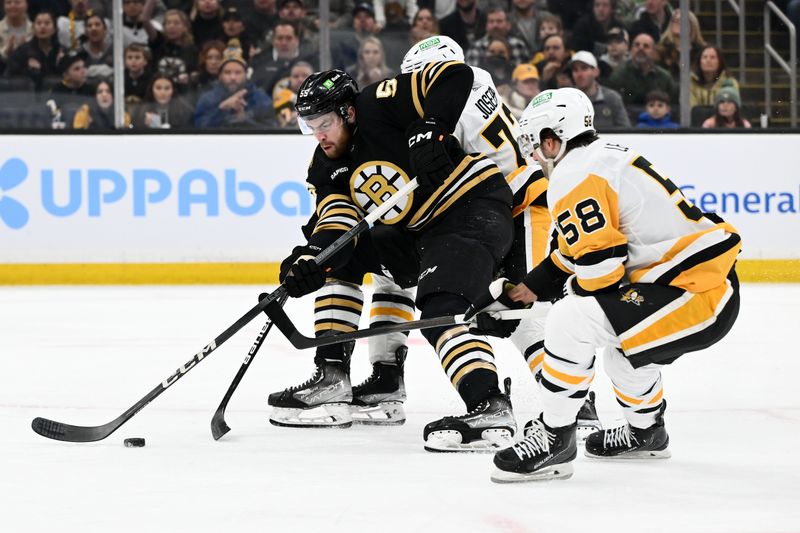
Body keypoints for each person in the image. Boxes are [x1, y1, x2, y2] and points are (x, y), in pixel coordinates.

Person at [486, 87, 741, 482]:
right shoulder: (599, 159)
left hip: (694, 294)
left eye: (536, 145)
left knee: (570, 318)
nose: (534, 155)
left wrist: (546, 305)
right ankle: (647, 434)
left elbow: (600, 272)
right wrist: (523, 294)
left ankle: (555, 438)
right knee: (622, 352)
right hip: (701, 289)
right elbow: (574, 255)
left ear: (553, 140)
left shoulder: (573, 175)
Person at [268, 64, 520, 452]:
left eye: (323, 122)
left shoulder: (380, 102)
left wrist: (431, 126)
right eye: (308, 126)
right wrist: (313, 258)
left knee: (441, 306)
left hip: (471, 207)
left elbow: (454, 75)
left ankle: (489, 404)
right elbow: (338, 220)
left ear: (348, 112)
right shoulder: (324, 165)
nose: (317, 135)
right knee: (341, 262)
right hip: (416, 233)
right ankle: (335, 376)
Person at [194, 43, 272, 127]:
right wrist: (221, 110)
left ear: (246, 75)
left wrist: (244, 119)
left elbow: (273, 128)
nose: (233, 77)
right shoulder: (207, 99)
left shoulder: (260, 97)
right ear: (220, 76)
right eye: (227, 72)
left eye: (238, 72)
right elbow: (199, 129)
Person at [606, 31, 676, 108]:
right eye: (637, 45)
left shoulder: (664, 78)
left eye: (646, 46)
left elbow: (673, 107)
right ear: (631, 50)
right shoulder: (619, 75)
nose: (640, 48)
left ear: (654, 52)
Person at [569, 50, 629, 128]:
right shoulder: (567, 100)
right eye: (575, 70)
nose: (579, 74)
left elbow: (626, 131)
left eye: (584, 68)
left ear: (596, 72)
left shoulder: (612, 98)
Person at [6, 10, 64, 91]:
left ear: (54, 29)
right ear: (33, 28)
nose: (42, 27)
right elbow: (9, 77)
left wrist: (63, 63)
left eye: (47, 23)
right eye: (38, 23)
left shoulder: (61, 50)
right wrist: (28, 70)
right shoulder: (22, 51)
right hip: (26, 96)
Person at [464, 6, 531, 68]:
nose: (495, 25)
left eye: (499, 21)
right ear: (486, 25)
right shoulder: (476, 47)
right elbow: (471, 75)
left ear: (508, 25)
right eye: (491, 21)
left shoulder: (519, 45)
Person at [654, 9, 705, 81]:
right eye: (675, 20)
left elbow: (717, 77)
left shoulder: (703, 51)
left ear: (692, 25)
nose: (678, 22)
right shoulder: (660, 50)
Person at [689, 44, 738, 109]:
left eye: (712, 57)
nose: (708, 60)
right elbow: (691, 109)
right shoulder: (691, 83)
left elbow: (732, 109)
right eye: (705, 57)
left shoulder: (730, 82)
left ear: (719, 62)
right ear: (699, 62)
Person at [80, 13, 112, 80]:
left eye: (97, 25)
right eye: (89, 25)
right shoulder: (80, 53)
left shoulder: (114, 50)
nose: (93, 28)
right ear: (85, 31)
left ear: (105, 29)